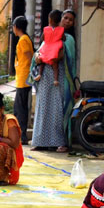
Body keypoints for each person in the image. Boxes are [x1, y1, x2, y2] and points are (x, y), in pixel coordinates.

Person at [30, 9, 74, 151]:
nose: (67, 21)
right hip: (45, 77)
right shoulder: (49, 33)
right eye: (65, 18)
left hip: (60, 78)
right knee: (42, 107)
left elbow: (67, 58)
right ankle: (40, 140)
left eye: (70, 20)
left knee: (57, 109)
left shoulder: (69, 39)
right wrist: (38, 57)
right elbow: (39, 51)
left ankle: (60, 142)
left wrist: (55, 53)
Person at [12, 16, 34, 129]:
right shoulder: (24, 39)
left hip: (24, 78)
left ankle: (22, 134)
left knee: (20, 108)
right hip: (22, 77)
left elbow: (29, 57)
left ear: (16, 27)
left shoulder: (23, 40)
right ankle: (21, 133)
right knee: (19, 107)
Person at [35, 10, 64, 87]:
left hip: (47, 48)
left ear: (50, 19)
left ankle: (40, 74)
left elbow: (42, 38)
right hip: (55, 49)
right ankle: (56, 79)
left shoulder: (46, 29)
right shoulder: (61, 30)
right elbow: (63, 38)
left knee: (42, 62)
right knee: (55, 66)